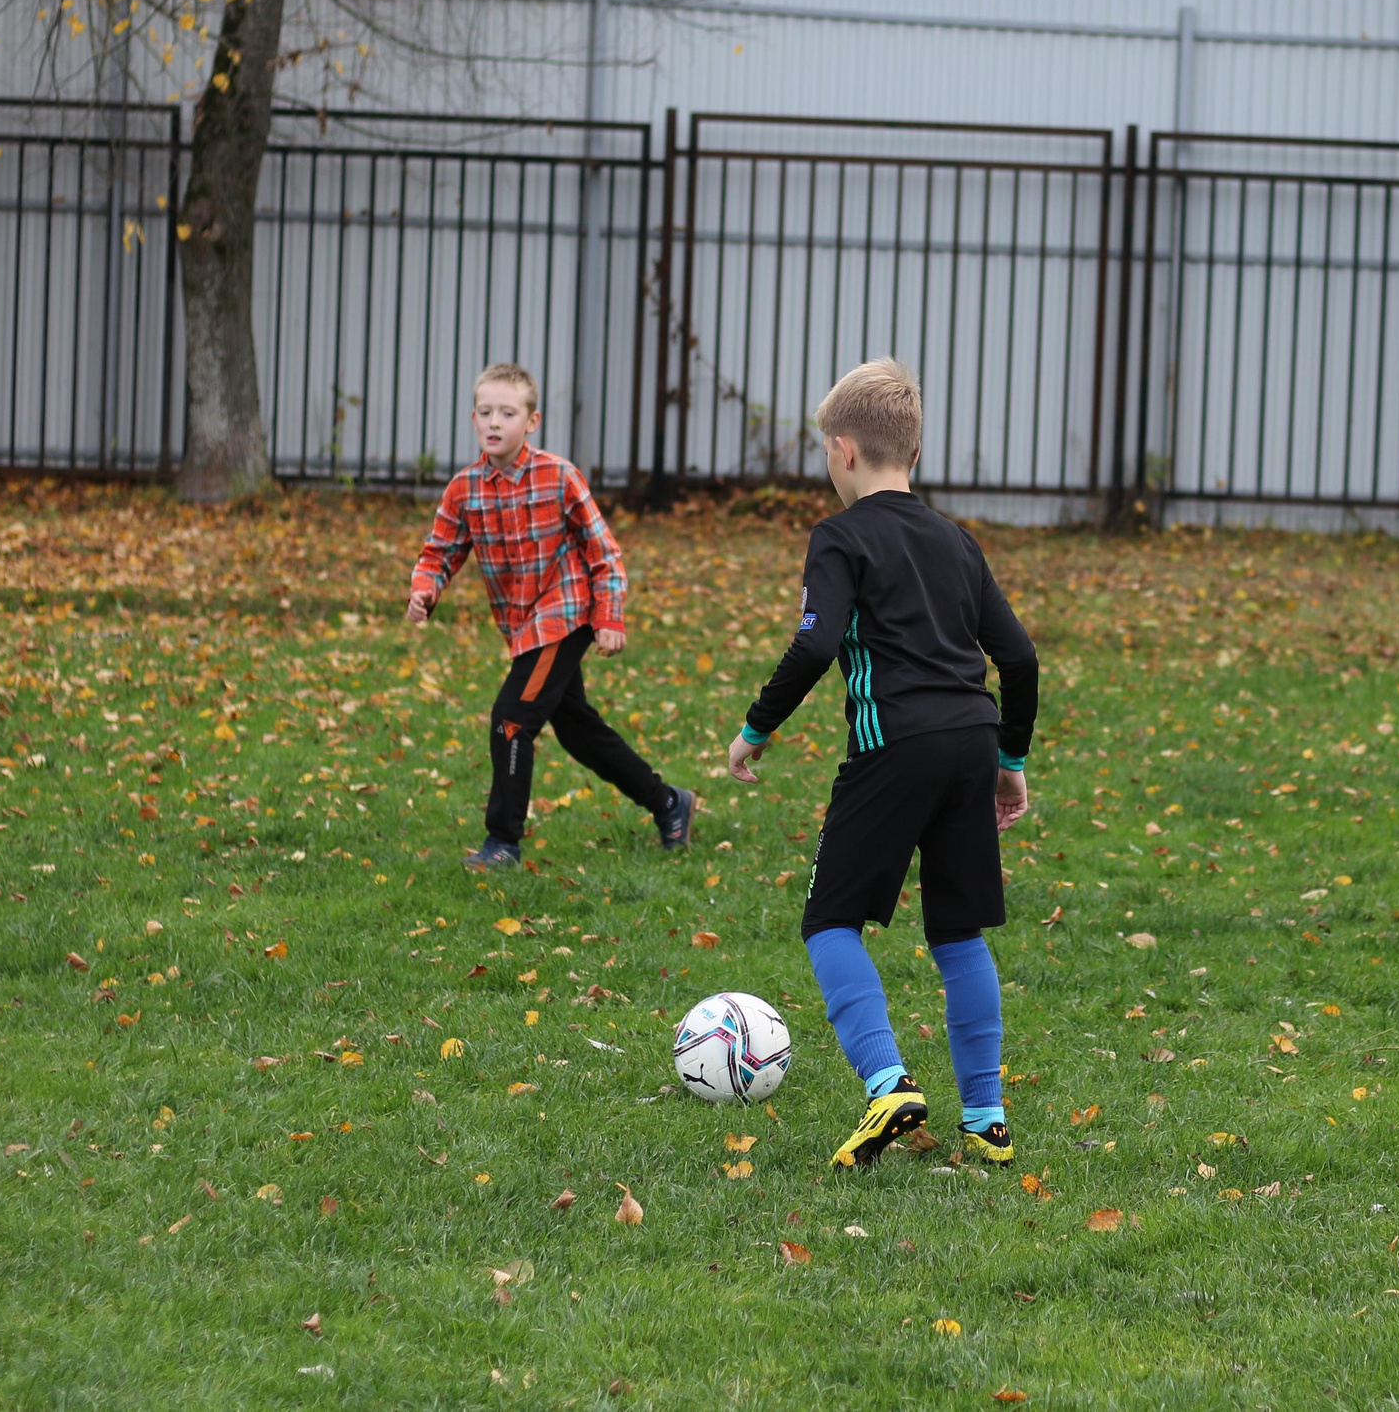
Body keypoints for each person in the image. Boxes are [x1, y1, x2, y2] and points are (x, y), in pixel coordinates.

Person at [726, 359, 1039, 1169]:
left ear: (842, 450)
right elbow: (1020, 657)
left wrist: (757, 728)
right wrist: (1009, 759)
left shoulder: (840, 536)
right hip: (971, 739)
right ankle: (987, 1118)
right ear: (915, 453)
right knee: (958, 930)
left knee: (829, 919)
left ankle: (889, 1082)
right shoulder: (957, 541)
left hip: (894, 746)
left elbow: (816, 642)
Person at [407, 364, 698, 870]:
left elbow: (603, 553)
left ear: (532, 420)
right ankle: (669, 803)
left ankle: (503, 842)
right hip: (521, 626)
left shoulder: (559, 477)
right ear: (473, 418)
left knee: (512, 719)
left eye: (508, 412)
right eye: (485, 412)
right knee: (578, 730)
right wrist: (425, 591)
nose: (494, 422)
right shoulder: (464, 489)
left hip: (566, 615)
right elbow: (440, 552)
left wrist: (610, 616)